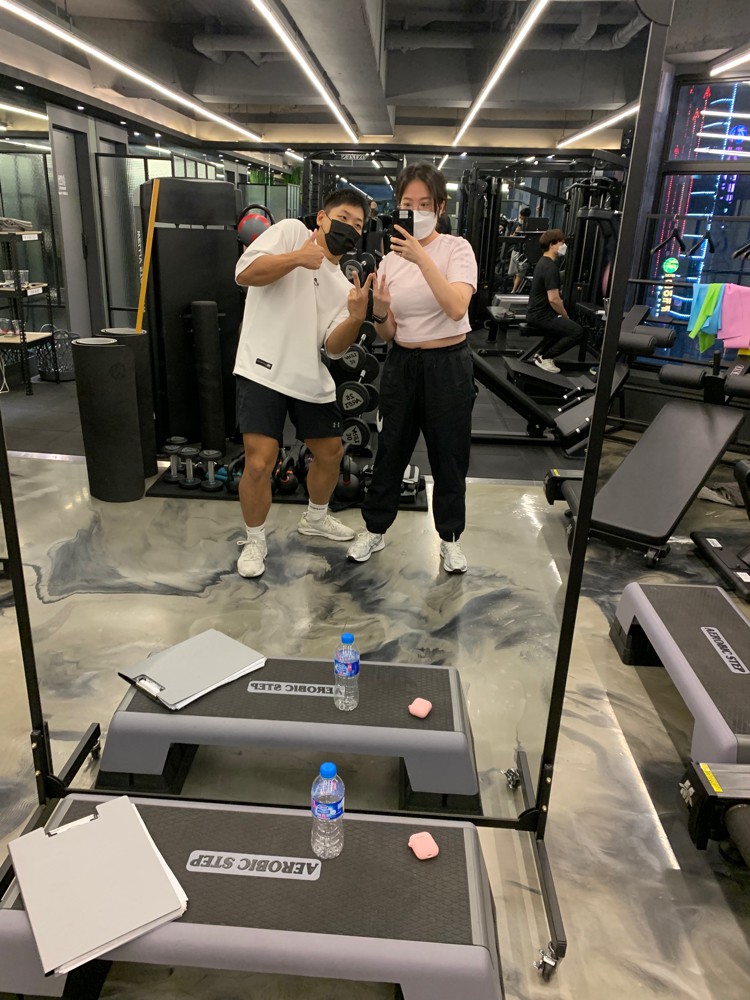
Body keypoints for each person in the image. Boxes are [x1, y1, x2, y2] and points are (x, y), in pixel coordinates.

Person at [233, 189, 379, 579]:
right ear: (322, 218)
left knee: (331, 452)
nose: (350, 228)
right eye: (344, 218)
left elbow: (333, 348)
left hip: (307, 373)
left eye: (358, 225)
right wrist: (298, 258)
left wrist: (356, 316)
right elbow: (244, 273)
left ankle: (315, 517)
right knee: (259, 461)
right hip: (263, 367)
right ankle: (255, 539)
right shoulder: (290, 232)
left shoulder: (343, 284)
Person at [347, 162, 478, 574]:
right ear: (398, 206)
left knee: (449, 456)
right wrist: (380, 312)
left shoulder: (457, 249)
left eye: (425, 203)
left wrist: (422, 258)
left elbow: (456, 307)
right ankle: (375, 529)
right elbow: (388, 333)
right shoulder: (389, 261)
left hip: (448, 365)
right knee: (390, 452)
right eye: (408, 203)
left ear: (439, 207)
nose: (416, 210)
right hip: (402, 363)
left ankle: (450, 539)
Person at [526, 228, 584, 374]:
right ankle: (546, 357)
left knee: (564, 327)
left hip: (537, 313)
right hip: (541, 315)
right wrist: (565, 315)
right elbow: (554, 300)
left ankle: (540, 355)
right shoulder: (550, 267)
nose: (564, 246)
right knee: (577, 331)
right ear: (552, 245)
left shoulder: (542, 262)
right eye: (561, 243)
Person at [508, 206, 531, 293]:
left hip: (525, 252)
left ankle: (514, 291)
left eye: (522, 218)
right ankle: (515, 290)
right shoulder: (517, 224)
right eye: (520, 217)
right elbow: (510, 237)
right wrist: (516, 232)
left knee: (520, 272)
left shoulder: (530, 226)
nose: (521, 219)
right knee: (515, 271)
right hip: (516, 250)